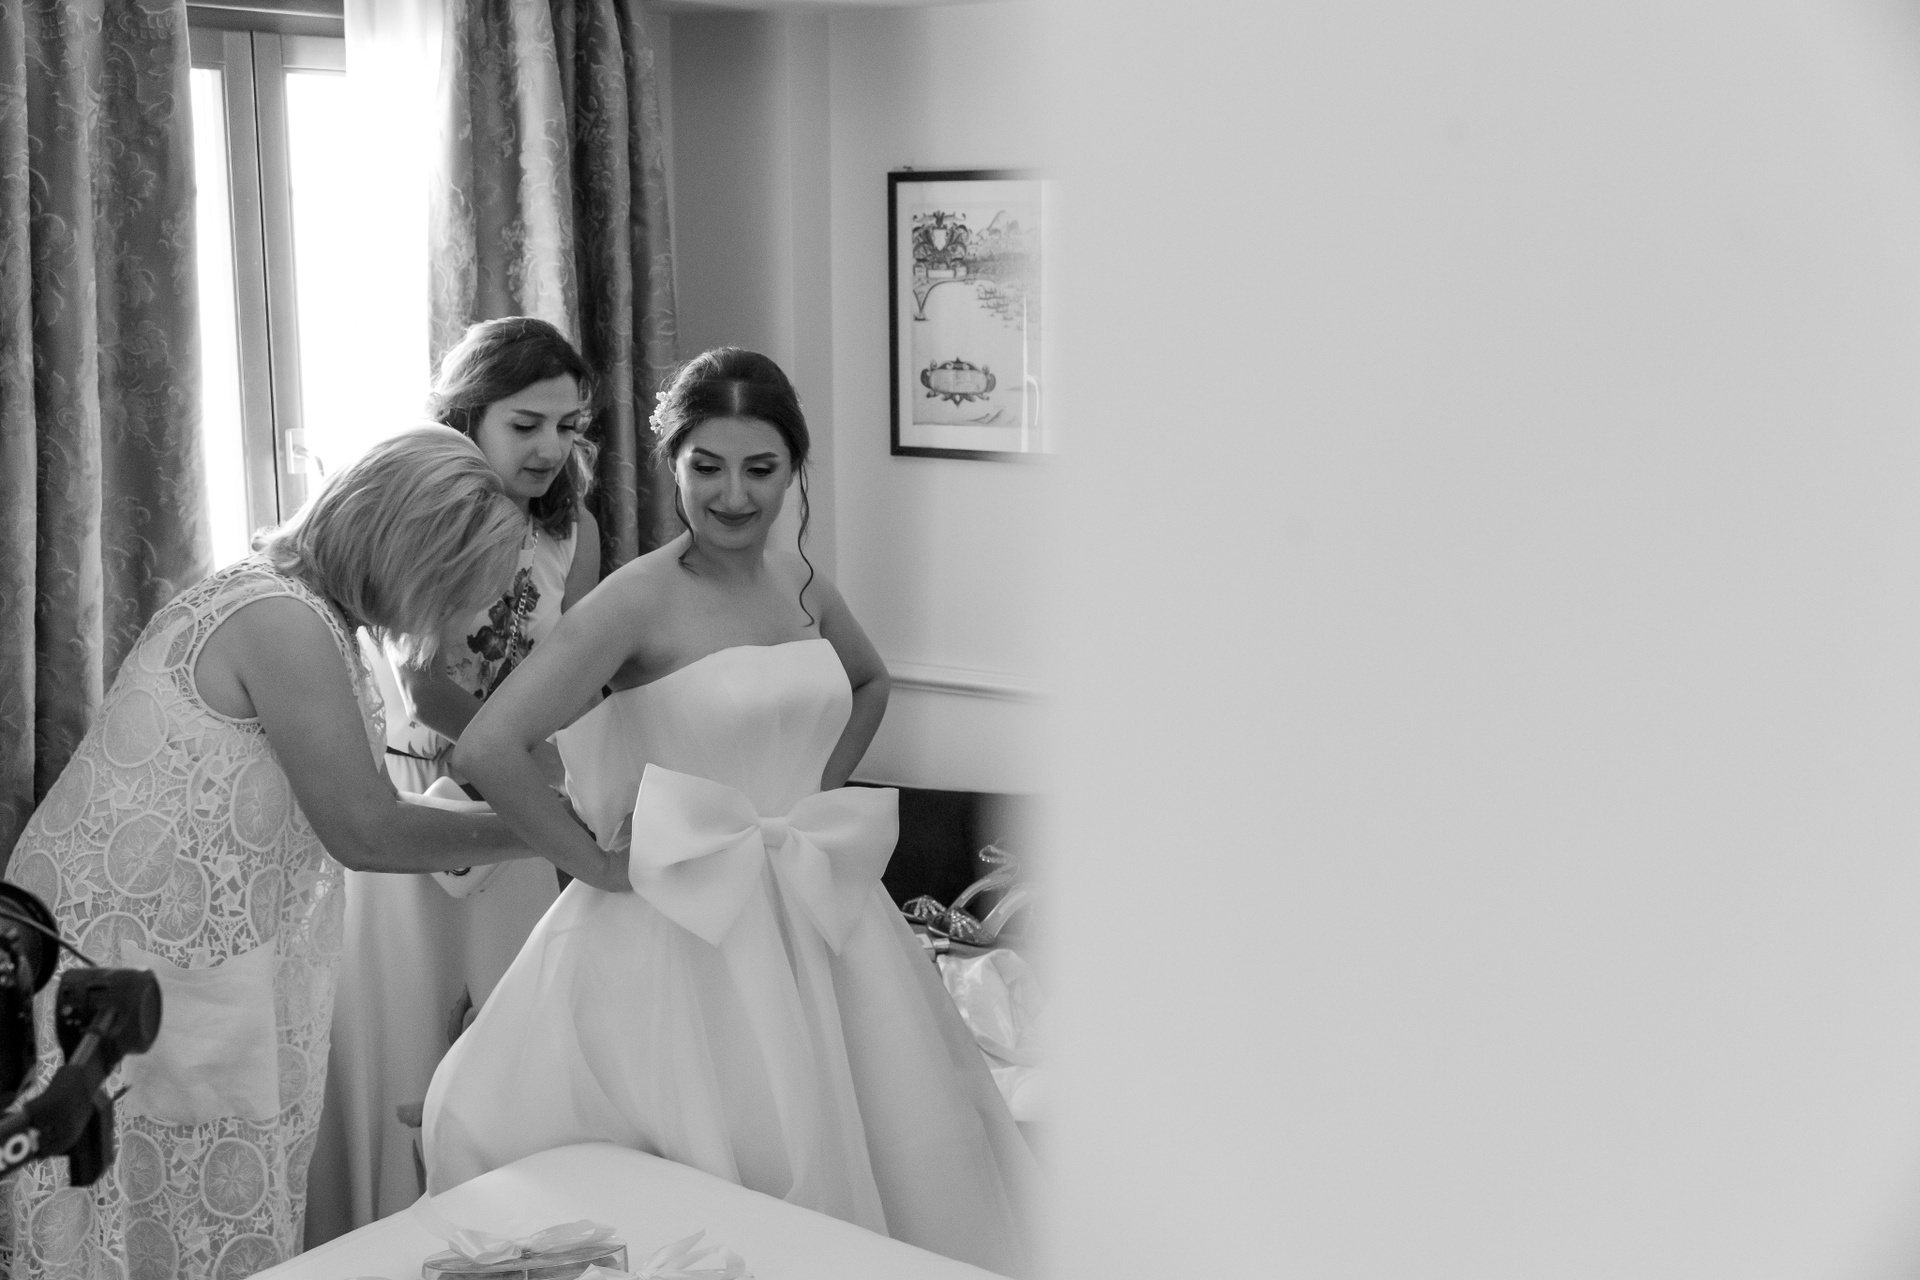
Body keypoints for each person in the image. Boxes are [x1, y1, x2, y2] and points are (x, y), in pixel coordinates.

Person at [420, 349, 1038, 1277]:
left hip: (819, 911)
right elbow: (487, 747)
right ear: (672, 463)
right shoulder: (634, 600)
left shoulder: (800, 582)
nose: (734, 496)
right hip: (679, 928)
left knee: (893, 1148)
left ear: (795, 469)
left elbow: (869, 681)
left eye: (761, 468)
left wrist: (813, 790)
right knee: (719, 1166)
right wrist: (596, 865)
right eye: (706, 466)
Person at [0, 427, 628, 1280]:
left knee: (171, 1218)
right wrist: (558, 829)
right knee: (134, 1220)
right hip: (121, 956)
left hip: (177, 952)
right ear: (408, 553)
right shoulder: (280, 618)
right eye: (455, 590)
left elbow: (357, 809)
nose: (456, 618)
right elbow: (365, 829)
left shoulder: (310, 614)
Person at [310, 318, 602, 1239]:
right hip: (420, 801)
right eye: (526, 424)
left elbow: (577, 664)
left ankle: (504, 1229)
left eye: (568, 426)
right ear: (467, 417)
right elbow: (423, 682)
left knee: (503, 1027)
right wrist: (512, 755)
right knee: (411, 1031)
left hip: (520, 803)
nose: (550, 448)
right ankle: (390, 1228)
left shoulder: (574, 531)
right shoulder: (422, 518)